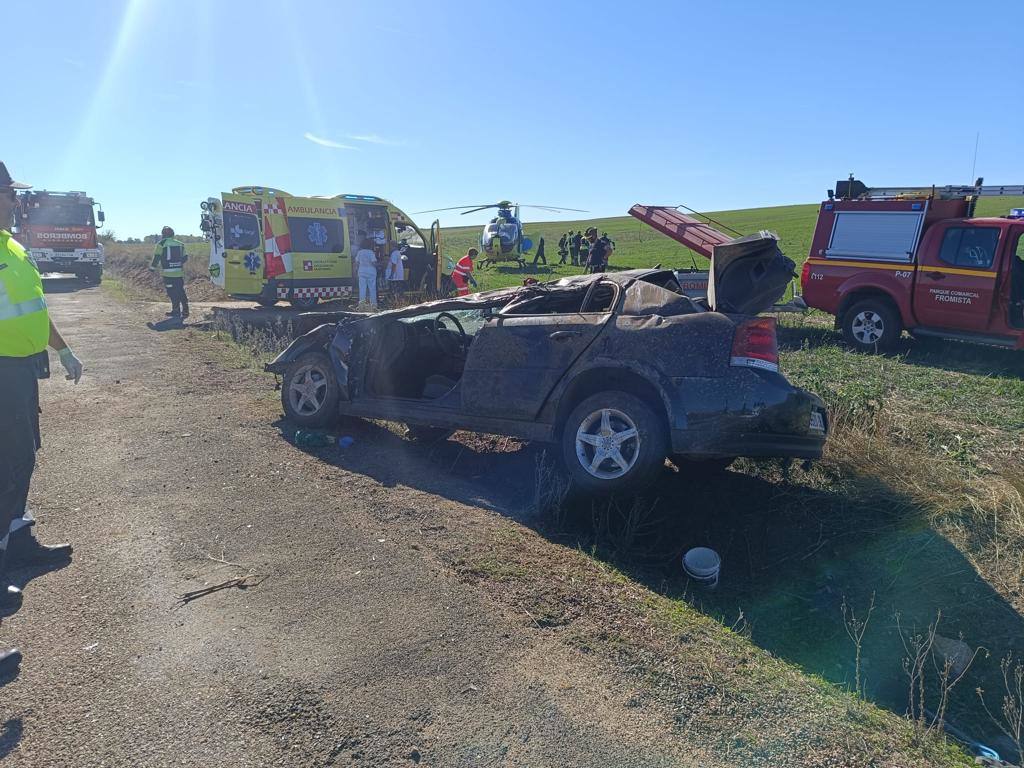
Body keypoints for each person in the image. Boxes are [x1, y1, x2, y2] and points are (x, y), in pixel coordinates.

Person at [0, 162, 82, 676]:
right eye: (9, 192)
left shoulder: (11, 246)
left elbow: (32, 309)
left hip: (21, 373)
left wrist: (64, 348)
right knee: (6, 470)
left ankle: (18, 542)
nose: (16, 199)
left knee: (20, 462)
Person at [150, 227, 189, 319]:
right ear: (173, 234)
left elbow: (157, 257)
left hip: (168, 275)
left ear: (163, 235)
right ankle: (185, 311)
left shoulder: (161, 244)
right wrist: (178, 264)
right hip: (179, 273)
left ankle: (176, 311)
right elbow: (185, 257)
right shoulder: (180, 244)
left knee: (172, 292)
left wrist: (152, 268)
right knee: (181, 291)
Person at [355, 238, 378, 309]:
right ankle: (373, 305)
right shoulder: (371, 252)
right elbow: (374, 262)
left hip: (361, 271)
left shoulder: (360, 252)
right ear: (370, 245)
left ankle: (361, 305)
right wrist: (378, 265)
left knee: (362, 288)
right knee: (372, 289)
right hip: (371, 272)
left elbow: (357, 262)